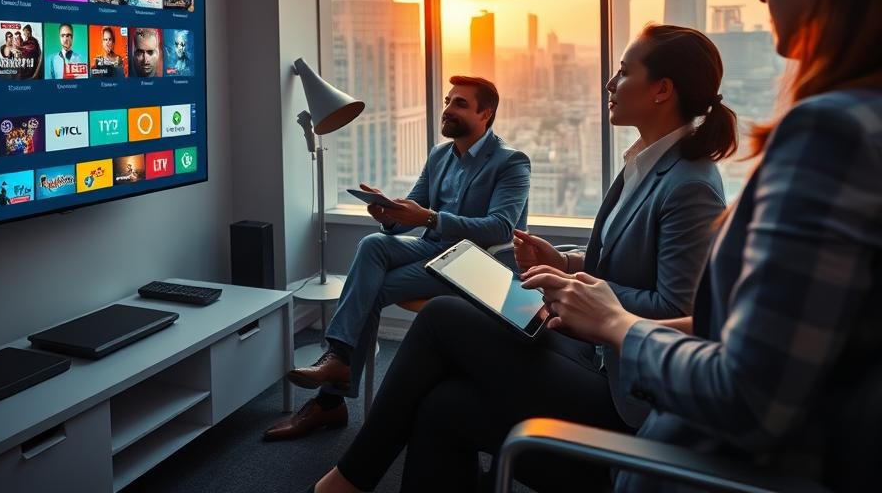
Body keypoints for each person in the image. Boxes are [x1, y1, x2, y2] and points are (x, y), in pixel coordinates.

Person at [508, 0, 882, 493]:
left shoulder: (833, 133)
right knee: (446, 401)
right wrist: (579, 276)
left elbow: (750, 394)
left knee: (452, 351)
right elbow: (753, 330)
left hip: (705, 467)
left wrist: (617, 325)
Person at [304, 26, 737, 492]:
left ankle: (349, 477)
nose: (610, 84)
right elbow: (622, 266)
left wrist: (576, 294)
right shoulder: (646, 165)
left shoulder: (689, 185)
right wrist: (567, 263)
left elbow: (677, 313)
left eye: (623, 72)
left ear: (662, 90)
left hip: (622, 387)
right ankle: (347, 443)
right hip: (587, 348)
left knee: (445, 318)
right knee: (442, 406)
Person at [264, 76, 532, 442]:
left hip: (477, 265)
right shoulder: (439, 155)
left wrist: (428, 218)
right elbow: (413, 209)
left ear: (486, 113)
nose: (448, 109)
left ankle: (331, 399)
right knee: (374, 242)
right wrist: (389, 214)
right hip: (433, 250)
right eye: (448, 100)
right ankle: (338, 361)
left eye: (460, 104)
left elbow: (501, 228)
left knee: (370, 289)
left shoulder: (511, 162)